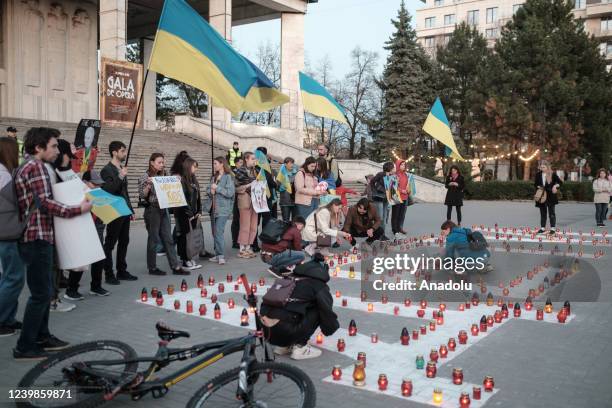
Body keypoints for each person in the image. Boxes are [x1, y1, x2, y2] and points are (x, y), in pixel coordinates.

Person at [14, 127, 93, 360]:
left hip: (39, 236)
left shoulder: (31, 166)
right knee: (40, 293)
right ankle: (25, 345)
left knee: (46, 290)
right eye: (54, 146)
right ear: (38, 148)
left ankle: (43, 335)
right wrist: (77, 209)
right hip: (37, 236)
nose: (58, 151)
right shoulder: (36, 167)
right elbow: (45, 204)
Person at [260, 253, 339, 360]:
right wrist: (330, 329)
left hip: (265, 331)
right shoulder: (318, 285)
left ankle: (285, 346)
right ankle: (300, 347)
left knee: (294, 307)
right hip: (285, 331)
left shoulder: (288, 277)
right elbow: (327, 312)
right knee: (318, 308)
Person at [139, 153, 190, 276]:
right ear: (152, 162)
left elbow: (172, 188)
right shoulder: (146, 175)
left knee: (168, 238)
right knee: (153, 239)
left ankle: (175, 266)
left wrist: (177, 180)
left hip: (164, 209)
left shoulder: (165, 174)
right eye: (159, 162)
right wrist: (149, 185)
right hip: (152, 209)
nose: (162, 165)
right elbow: (142, 195)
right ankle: (152, 267)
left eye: (163, 162)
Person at [64, 171, 110, 299]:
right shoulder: (77, 195)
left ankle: (96, 286)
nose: (97, 187)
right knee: (81, 260)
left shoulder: (98, 195)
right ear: (84, 183)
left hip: (98, 227)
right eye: (94, 184)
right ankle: (71, 290)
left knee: (99, 257)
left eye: (99, 184)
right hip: (82, 229)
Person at [100, 141, 136, 284]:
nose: (124, 153)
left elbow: (124, 192)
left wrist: (131, 209)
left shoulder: (121, 168)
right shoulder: (106, 170)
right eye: (122, 151)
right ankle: (109, 273)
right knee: (110, 242)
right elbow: (108, 190)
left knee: (124, 241)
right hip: (114, 209)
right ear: (114, 152)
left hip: (124, 209)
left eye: (125, 151)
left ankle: (122, 270)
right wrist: (120, 176)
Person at [0, 137, 25, 337]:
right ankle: (2, 320)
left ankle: (8, 317)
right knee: (14, 278)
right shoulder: (4, 176)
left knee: (9, 277)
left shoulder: (6, 174)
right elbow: (17, 203)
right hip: (8, 233)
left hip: (7, 232)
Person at [174, 157, 203, 270]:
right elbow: (182, 199)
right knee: (184, 236)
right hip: (184, 213)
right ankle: (185, 259)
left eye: (196, 167)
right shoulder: (181, 181)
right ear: (188, 166)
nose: (195, 169)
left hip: (194, 213)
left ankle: (189, 257)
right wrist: (189, 213)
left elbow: (198, 197)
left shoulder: (194, 180)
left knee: (191, 236)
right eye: (194, 166)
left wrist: (199, 211)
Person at [206, 157, 235, 265]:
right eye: (214, 163)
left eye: (215, 163)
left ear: (222, 164)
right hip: (212, 208)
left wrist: (217, 188)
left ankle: (221, 255)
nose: (214, 165)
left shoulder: (228, 177)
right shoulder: (213, 177)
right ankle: (218, 254)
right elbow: (208, 190)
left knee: (218, 231)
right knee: (215, 232)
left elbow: (230, 193)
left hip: (223, 209)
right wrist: (211, 191)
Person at [234, 152, 259, 258]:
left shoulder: (255, 171)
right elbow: (237, 188)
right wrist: (250, 184)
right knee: (245, 225)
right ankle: (242, 249)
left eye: (254, 159)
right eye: (252, 159)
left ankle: (248, 247)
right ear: (246, 159)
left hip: (256, 200)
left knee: (254, 226)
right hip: (245, 199)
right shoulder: (240, 171)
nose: (254, 161)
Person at [534, 162, 562, 234]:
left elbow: (560, 182)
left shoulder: (552, 174)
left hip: (550, 196)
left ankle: (552, 228)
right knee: (543, 213)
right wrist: (539, 187)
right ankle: (542, 228)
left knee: (551, 213)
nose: (542, 168)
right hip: (542, 195)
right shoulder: (538, 174)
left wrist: (555, 186)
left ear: (547, 167)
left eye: (543, 167)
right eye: (541, 167)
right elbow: (535, 184)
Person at [370, 162, 394, 232]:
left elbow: (392, 189)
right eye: (393, 168)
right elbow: (372, 182)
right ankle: (376, 234)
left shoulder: (393, 176)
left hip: (386, 199)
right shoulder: (380, 174)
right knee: (379, 217)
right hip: (378, 198)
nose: (394, 169)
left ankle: (382, 234)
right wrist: (374, 191)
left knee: (384, 217)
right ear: (390, 168)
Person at [391, 159, 410, 236]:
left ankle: (399, 228)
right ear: (398, 165)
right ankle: (395, 230)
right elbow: (393, 186)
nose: (403, 166)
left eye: (404, 165)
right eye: (402, 164)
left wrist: (409, 190)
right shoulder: (395, 175)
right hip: (397, 197)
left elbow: (408, 185)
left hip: (405, 197)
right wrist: (402, 191)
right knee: (395, 214)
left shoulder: (406, 175)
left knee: (401, 214)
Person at [278, 157, 298, 222]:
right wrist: (284, 186)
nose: (292, 165)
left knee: (294, 221)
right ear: (285, 164)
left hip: (295, 200)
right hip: (285, 201)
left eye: (292, 163)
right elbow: (277, 185)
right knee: (285, 221)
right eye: (290, 163)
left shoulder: (296, 173)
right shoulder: (281, 174)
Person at [231, 156, 244, 249]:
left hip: (244, 198)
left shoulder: (244, 172)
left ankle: (242, 240)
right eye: (240, 163)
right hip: (236, 199)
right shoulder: (233, 173)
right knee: (236, 220)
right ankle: (235, 241)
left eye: (242, 162)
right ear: (236, 164)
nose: (242, 164)